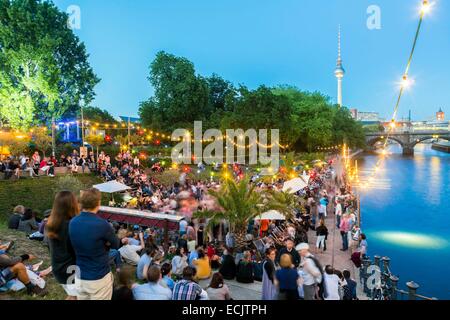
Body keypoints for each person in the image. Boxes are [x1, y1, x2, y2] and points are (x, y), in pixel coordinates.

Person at [69, 188, 120, 300]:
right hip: (98, 276)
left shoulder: (72, 222)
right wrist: (106, 244)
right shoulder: (102, 225)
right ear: (98, 203)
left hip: (80, 275)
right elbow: (116, 245)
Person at [46, 191, 79, 300]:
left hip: (58, 267)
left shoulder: (51, 223)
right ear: (72, 205)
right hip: (70, 269)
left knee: (72, 295)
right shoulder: (71, 225)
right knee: (76, 297)